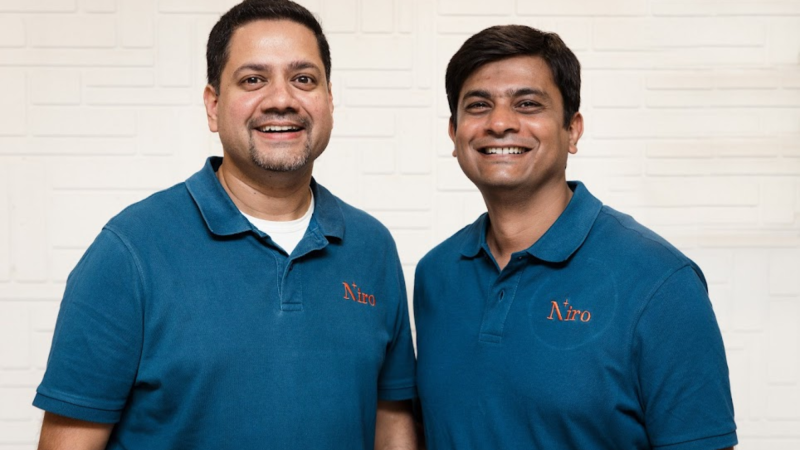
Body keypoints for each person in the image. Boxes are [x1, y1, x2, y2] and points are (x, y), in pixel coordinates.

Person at [33, 1, 417, 449]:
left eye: (303, 79)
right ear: (213, 106)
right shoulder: (130, 251)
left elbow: (391, 427)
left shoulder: (372, 247)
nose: (281, 99)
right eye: (253, 80)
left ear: (329, 100)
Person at [413, 25, 737, 450]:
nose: (500, 123)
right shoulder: (436, 275)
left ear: (573, 130)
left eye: (527, 104)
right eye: (478, 106)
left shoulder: (661, 283)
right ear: (454, 133)